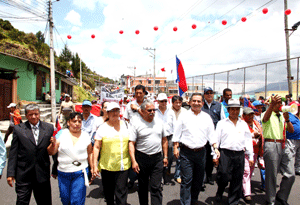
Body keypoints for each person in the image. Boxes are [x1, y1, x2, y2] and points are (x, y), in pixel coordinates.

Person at [173, 93, 219, 205]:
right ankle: (185, 203)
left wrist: (215, 148)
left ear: (202, 103)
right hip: (186, 153)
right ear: (189, 102)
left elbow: (211, 135)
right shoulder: (184, 116)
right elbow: (177, 133)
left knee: (198, 180)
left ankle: (193, 201)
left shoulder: (206, 117)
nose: (196, 103)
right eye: (194, 101)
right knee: (187, 180)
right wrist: (175, 147)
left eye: (199, 101)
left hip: (201, 153)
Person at [7, 103, 54, 205]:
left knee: (45, 202)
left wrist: (55, 169)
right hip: (24, 175)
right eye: (30, 114)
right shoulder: (19, 129)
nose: (34, 117)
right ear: (26, 115)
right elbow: (13, 152)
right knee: (22, 202)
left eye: (36, 114)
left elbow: (54, 149)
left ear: (39, 114)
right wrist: (10, 173)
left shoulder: (49, 128)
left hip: (42, 175)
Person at [47, 112, 93, 205]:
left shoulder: (85, 135)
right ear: (68, 122)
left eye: (79, 121)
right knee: (65, 199)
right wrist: (53, 144)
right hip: (63, 173)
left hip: (80, 173)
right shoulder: (61, 133)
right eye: (74, 121)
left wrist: (93, 168)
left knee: (76, 201)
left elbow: (90, 153)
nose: (77, 124)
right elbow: (51, 152)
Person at [214, 98, 254, 205]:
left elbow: (248, 140)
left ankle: (233, 201)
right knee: (223, 176)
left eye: (237, 109)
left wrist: (250, 156)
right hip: (225, 154)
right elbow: (216, 140)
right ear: (229, 110)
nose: (234, 112)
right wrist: (215, 155)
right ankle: (220, 192)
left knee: (237, 179)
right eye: (232, 109)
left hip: (240, 154)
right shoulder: (221, 123)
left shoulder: (243, 124)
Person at [129, 100, 168, 205]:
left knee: (156, 187)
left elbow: (164, 140)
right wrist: (133, 161)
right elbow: (131, 143)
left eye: (154, 110)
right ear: (142, 111)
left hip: (157, 159)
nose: (152, 112)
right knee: (142, 187)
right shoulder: (136, 124)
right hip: (142, 159)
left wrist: (166, 157)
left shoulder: (159, 122)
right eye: (149, 110)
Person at [93, 102, 131, 205]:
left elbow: (131, 143)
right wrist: (94, 165)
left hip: (123, 166)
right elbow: (96, 147)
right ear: (107, 113)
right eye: (112, 111)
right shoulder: (102, 128)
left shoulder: (126, 125)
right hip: (107, 166)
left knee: (121, 193)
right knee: (109, 195)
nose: (115, 113)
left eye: (117, 110)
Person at [262, 94, 294, 205]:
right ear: (272, 103)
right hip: (272, 144)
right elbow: (265, 118)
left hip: (284, 144)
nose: (280, 104)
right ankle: (270, 200)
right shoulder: (266, 114)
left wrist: (287, 119)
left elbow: (291, 130)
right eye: (278, 102)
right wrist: (271, 105)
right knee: (272, 175)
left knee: (291, 174)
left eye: (281, 102)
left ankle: (281, 196)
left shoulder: (282, 115)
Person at [201, 87, 225, 186]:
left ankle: (209, 177)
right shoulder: (201, 106)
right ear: (204, 95)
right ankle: (202, 179)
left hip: (215, 136)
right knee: (203, 158)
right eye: (207, 93)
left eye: (211, 93)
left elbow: (223, 120)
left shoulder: (219, 106)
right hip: (203, 136)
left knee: (212, 157)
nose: (209, 95)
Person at [242, 107, 264, 202]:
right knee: (246, 171)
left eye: (252, 114)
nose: (250, 116)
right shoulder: (241, 124)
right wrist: (252, 135)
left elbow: (261, 134)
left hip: (255, 151)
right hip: (244, 151)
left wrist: (259, 137)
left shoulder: (256, 123)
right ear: (244, 116)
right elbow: (241, 136)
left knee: (250, 171)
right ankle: (247, 193)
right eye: (248, 115)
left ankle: (244, 187)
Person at [165, 95, 187, 184]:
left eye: (180, 103)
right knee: (170, 155)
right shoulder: (168, 111)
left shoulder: (185, 112)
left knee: (179, 157)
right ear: (172, 103)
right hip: (170, 136)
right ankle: (168, 168)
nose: (178, 104)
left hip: (181, 136)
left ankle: (177, 175)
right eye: (176, 103)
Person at [156, 93, 171, 184]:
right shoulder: (154, 111)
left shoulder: (171, 111)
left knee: (168, 157)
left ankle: (166, 174)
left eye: (165, 101)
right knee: (159, 156)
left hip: (169, 137)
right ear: (158, 102)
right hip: (158, 137)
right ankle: (160, 176)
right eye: (162, 101)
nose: (164, 103)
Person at [286, 101, 300, 176]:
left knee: (299, 155)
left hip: (299, 138)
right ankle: (289, 169)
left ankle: (297, 168)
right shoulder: (289, 115)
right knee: (291, 154)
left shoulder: (298, 115)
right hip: (291, 138)